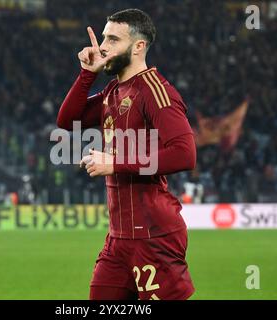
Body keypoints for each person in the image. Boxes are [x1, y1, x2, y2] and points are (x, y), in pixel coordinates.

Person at [57, 8, 196, 300]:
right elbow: (68, 121)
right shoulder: (113, 91)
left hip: (154, 236)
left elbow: (185, 155)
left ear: (139, 46)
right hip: (118, 240)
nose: (103, 46)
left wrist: (115, 163)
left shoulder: (157, 92)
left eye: (113, 39)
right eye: (104, 37)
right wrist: (87, 74)